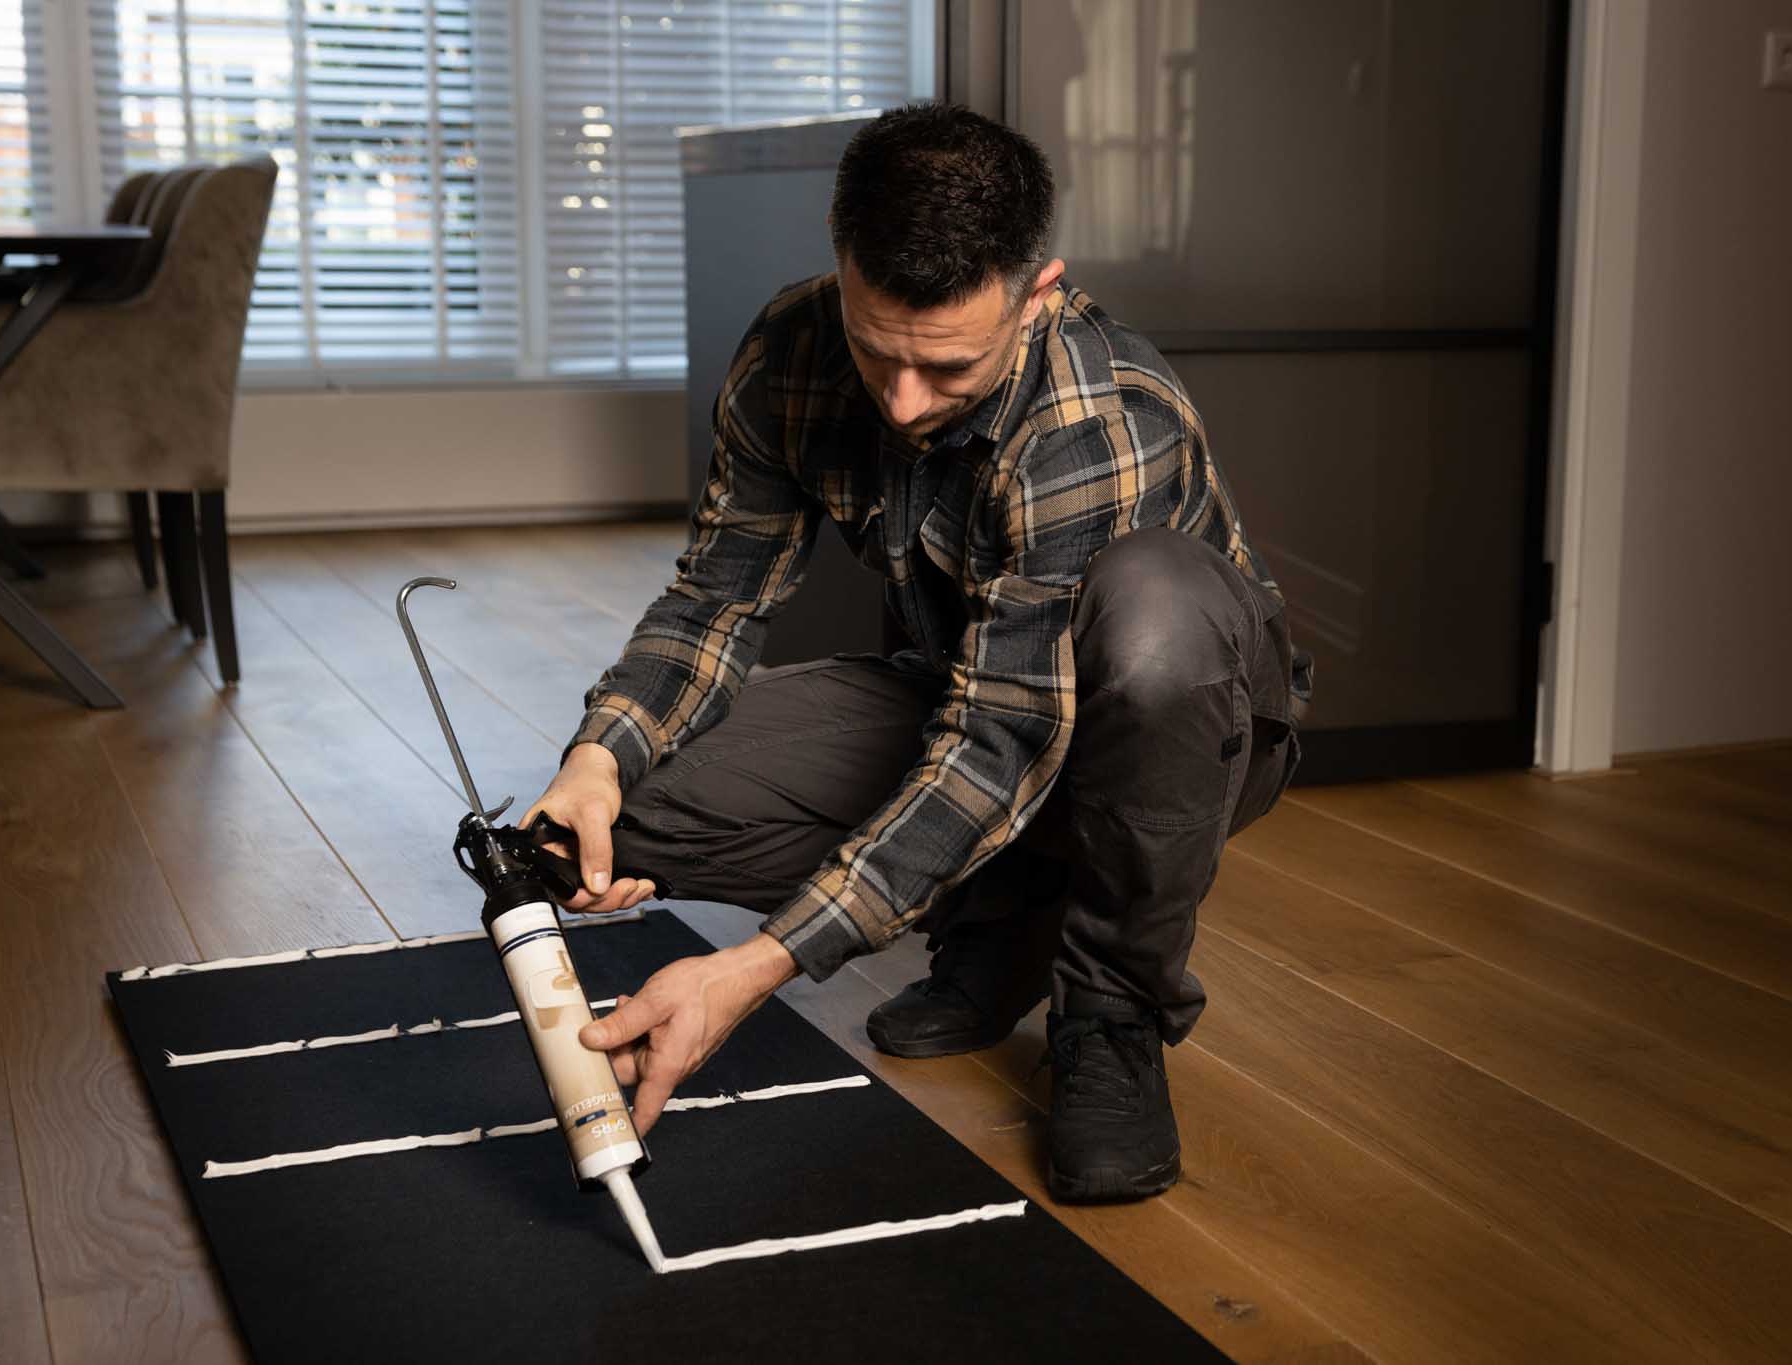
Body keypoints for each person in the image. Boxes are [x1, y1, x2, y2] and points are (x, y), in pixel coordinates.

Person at [520, 102, 1308, 1203]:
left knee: (1154, 611)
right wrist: (600, 754)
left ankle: (1112, 1015)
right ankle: (1002, 917)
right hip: (966, 686)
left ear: (1037, 293)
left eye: (944, 369)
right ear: (840, 265)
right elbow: (715, 599)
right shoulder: (787, 348)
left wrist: (755, 968)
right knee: (627, 817)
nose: (900, 403)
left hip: (1184, 730)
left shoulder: (1094, 416)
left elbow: (1001, 743)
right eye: (873, 349)